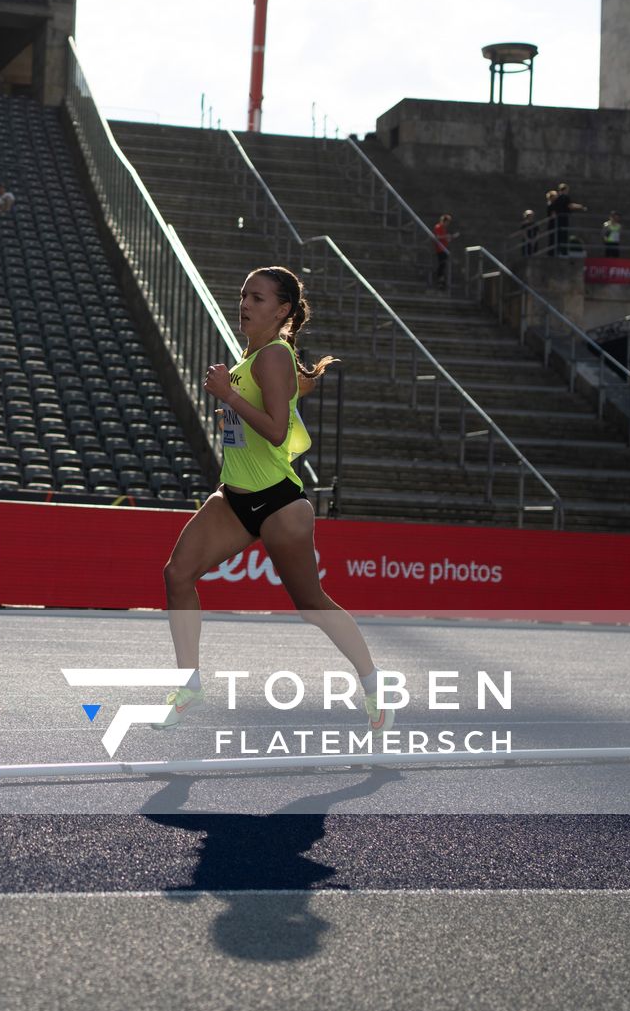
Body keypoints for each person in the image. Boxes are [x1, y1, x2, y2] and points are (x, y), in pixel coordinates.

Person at [154, 265, 387, 736]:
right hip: (234, 499)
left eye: (257, 298)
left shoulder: (274, 357)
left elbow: (278, 431)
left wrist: (228, 398)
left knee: (311, 605)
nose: (244, 303)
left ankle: (375, 690)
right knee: (177, 575)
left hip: (280, 504)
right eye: (243, 294)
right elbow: (257, 426)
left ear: (282, 310)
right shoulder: (250, 357)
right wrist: (231, 416)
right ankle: (189, 686)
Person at [549, 183, 584, 254]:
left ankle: (556, 252)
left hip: (557, 220)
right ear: (565, 190)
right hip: (564, 219)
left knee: (557, 236)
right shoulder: (565, 197)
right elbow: (570, 206)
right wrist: (580, 207)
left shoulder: (557, 198)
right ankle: (564, 252)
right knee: (564, 236)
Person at [431, 213, 454, 285]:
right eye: (447, 222)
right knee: (441, 264)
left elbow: (443, 238)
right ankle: (439, 279)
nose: (447, 224)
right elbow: (437, 237)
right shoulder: (438, 227)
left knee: (443, 265)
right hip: (440, 249)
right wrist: (446, 236)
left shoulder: (443, 228)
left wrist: (448, 238)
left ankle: (441, 279)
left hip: (444, 249)